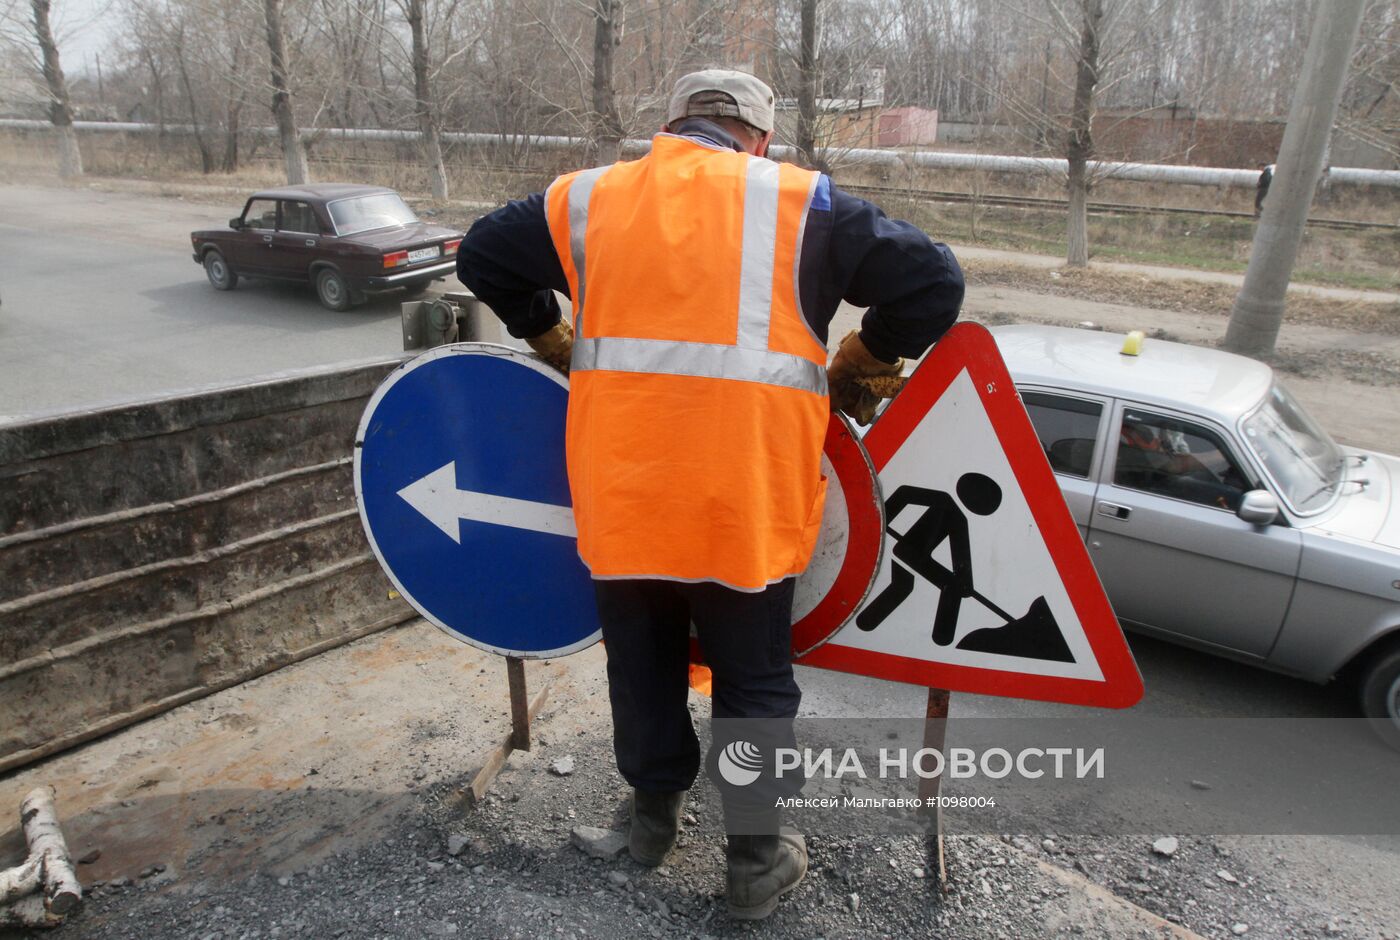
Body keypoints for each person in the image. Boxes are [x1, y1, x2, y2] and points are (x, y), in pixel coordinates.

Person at [456, 67, 962, 920]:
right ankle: (755, 860)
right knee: (752, 676)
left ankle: (650, 823)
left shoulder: (589, 200)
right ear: (760, 139)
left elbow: (479, 255)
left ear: (673, 124)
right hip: (744, 496)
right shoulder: (804, 204)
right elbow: (933, 283)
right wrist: (864, 362)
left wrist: (550, 332)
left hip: (627, 491)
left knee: (643, 662)